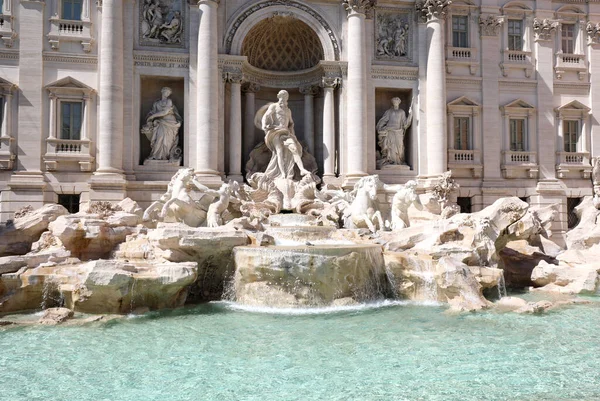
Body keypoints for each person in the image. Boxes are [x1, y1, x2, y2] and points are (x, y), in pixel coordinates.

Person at [261, 90, 311, 180]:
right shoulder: (274, 106)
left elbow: (291, 123)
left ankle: (302, 169)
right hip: (276, 132)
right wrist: (264, 125)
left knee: (294, 149)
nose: (284, 98)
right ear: (278, 96)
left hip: (286, 133)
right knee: (279, 153)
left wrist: (293, 134)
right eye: (282, 96)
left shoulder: (288, 110)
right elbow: (266, 116)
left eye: (285, 97)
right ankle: (283, 174)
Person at [143, 87, 182, 161]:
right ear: (162, 92)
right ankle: (156, 155)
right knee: (159, 139)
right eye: (166, 92)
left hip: (170, 123)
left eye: (168, 93)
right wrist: (150, 118)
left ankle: (165, 157)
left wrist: (153, 116)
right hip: (160, 123)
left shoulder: (169, 101)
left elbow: (165, 112)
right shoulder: (156, 103)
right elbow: (152, 112)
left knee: (167, 141)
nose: (167, 94)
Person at [377, 97, 413, 166]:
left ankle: (398, 161)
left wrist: (410, 114)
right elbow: (383, 120)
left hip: (398, 132)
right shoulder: (389, 112)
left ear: (399, 103)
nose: (395, 103)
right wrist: (380, 128)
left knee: (400, 147)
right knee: (390, 147)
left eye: (397, 101)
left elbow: (405, 124)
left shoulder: (401, 112)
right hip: (390, 131)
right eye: (394, 102)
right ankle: (390, 161)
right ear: (392, 103)